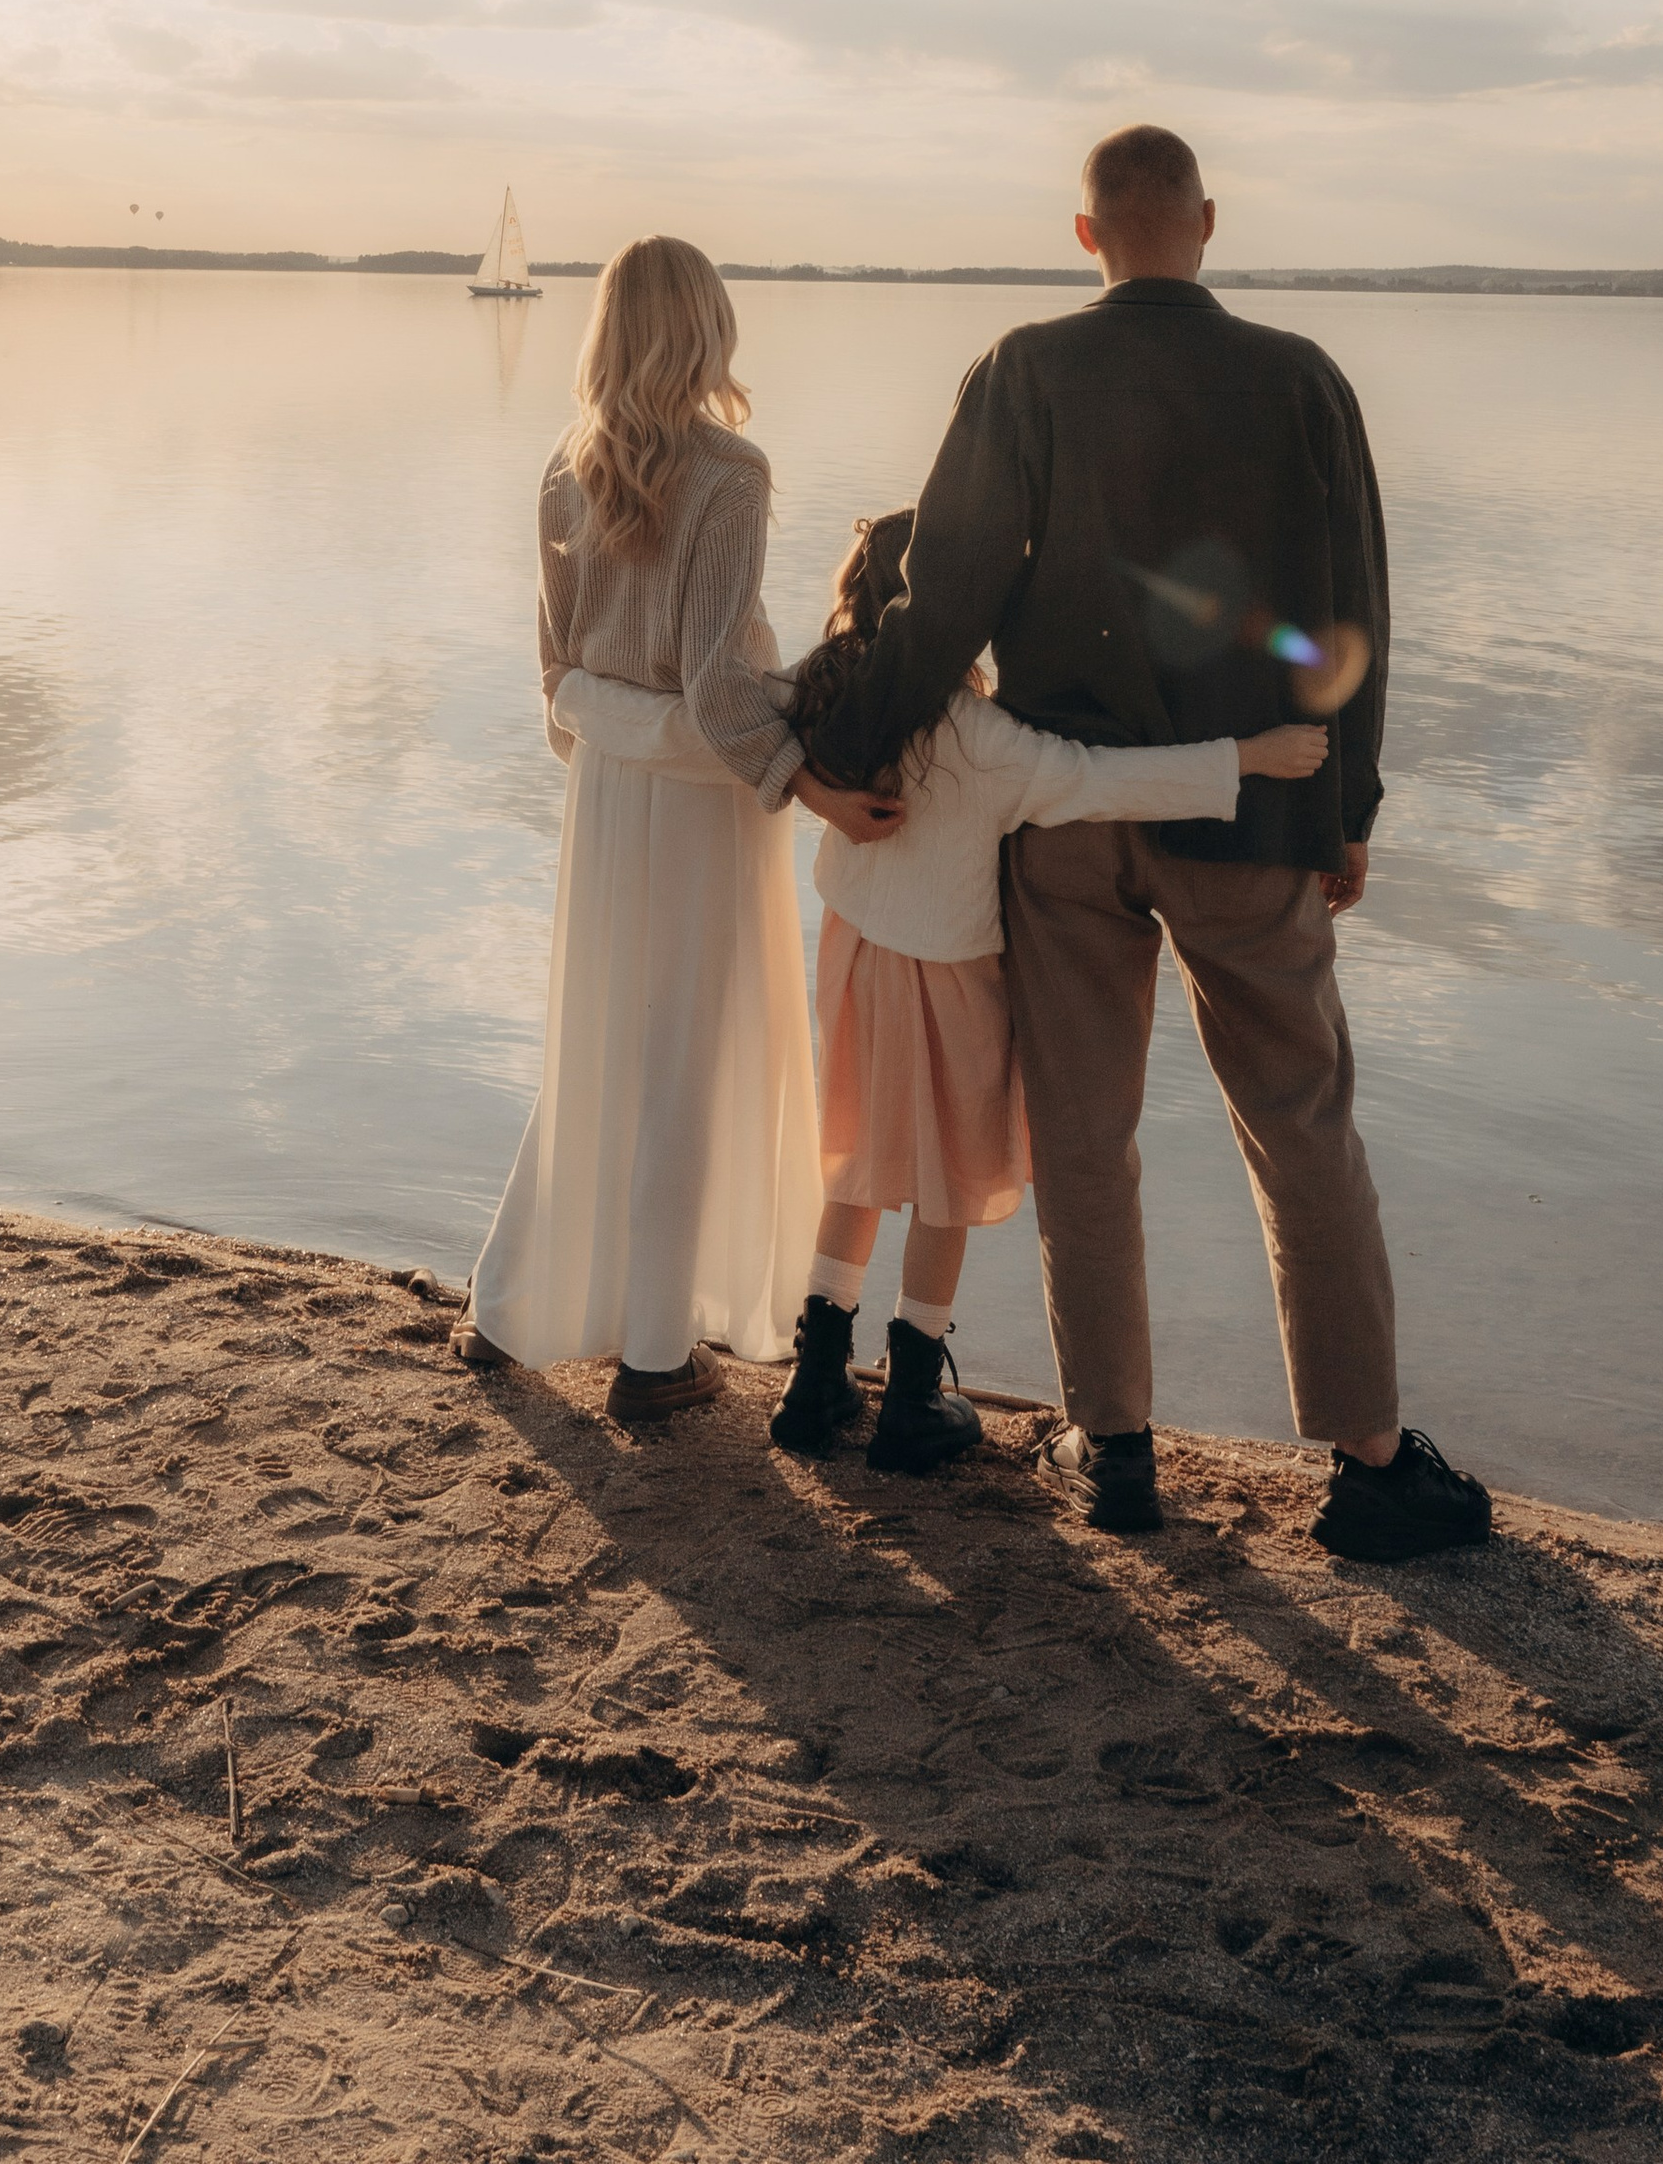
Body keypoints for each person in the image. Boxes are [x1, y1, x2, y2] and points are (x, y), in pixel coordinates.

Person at [799, 125, 1492, 1564]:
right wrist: (1348, 810)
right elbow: (1353, 611)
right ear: (1208, 221)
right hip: (1257, 817)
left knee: (1084, 1136)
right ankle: (1370, 1461)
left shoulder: (1024, 368)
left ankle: (1111, 1448)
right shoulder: (1303, 378)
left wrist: (856, 750)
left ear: (1084, 233)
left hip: (1069, 821)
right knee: (1301, 1125)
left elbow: (946, 592)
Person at [775, 508, 1329, 1475]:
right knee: (949, 1180)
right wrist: (1248, 757)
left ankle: (813, 1380)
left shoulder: (822, 693)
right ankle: (910, 1397)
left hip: (855, 957)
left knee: (859, 1159)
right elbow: (1103, 778)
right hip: (952, 974)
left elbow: (740, 717)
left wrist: (803, 788)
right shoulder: (983, 738)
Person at [460, 235, 901, 1419]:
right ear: (706, 327)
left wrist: (606, 737)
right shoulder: (730, 474)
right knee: (687, 1056)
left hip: (609, 788)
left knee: (600, 1037)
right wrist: (806, 777)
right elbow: (714, 685)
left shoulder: (564, 467)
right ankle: (655, 1354)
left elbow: (556, 669)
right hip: (704, 797)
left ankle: (507, 1307)